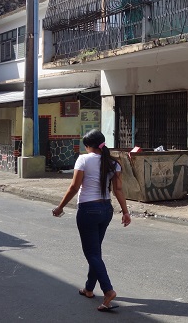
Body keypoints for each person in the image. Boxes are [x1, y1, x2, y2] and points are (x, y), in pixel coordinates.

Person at [52, 129, 131, 312]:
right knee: (95, 251)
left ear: (88, 146)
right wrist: (125, 212)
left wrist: (60, 206)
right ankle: (89, 288)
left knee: (92, 253)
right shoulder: (114, 163)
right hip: (106, 210)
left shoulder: (83, 159)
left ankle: (108, 291)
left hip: (88, 210)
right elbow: (118, 190)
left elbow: (74, 187)